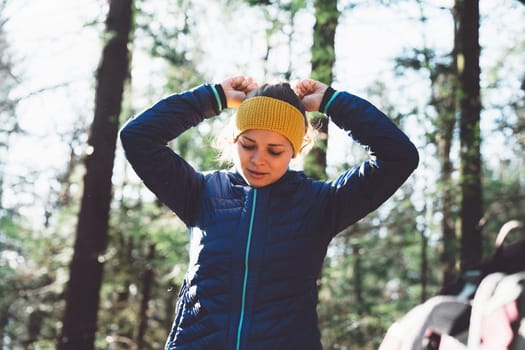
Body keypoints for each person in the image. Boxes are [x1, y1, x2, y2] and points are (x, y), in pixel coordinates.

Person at [119, 76, 419, 350]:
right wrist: (213, 97)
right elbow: (138, 137)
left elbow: (399, 157)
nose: (258, 160)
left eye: (274, 150)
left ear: (295, 150)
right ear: (233, 140)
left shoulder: (321, 204)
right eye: (248, 145)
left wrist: (332, 102)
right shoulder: (202, 194)